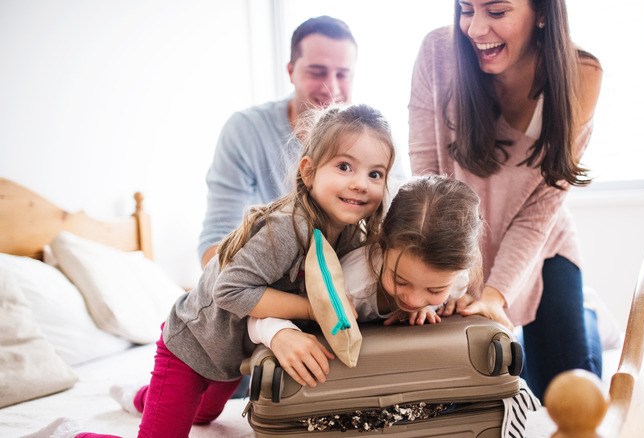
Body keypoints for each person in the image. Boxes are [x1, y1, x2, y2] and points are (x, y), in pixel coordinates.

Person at [35, 103, 396, 438]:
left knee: (204, 418)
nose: (360, 183)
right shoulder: (288, 228)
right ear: (309, 171)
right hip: (191, 345)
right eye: (345, 167)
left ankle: (140, 398)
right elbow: (230, 291)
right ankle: (69, 432)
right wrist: (313, 308)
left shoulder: (350, 233)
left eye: (375, 173)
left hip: (233, 355)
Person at [407, 0, 604, 399]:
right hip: (459, 242)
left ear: (543, 13)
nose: (476, 29)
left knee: (566, 391)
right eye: (466, 9)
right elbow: (427, 178)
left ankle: (588, 312)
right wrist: (447, 275)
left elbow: (539, 213)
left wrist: (495, 295)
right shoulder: (438, 54)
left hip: (541, 245)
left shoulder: (580, 75)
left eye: (497, 12)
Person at [247, 175, 484, 387]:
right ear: (383, 243)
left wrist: (437, 305)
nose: (413, 299)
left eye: (435, 289)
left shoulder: (457, 279)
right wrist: (279, 333)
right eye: (400, 281)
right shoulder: (352, 285)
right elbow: (255, 313)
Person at [198, 15, 359, 269]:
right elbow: (215, 246)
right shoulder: (245, 131)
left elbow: (398, 219)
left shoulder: (372, 137)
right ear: (291, 72)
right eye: (317, 72)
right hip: (266, 285)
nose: (331, 87)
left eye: (342, 74)